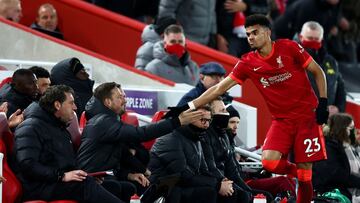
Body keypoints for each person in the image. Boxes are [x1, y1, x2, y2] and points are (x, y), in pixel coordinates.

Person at [177, 14, 329, 203]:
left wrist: (323, 102)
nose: (250, 37)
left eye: (255, 33)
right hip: (281, 120)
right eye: (248, 34)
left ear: (267, 32)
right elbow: (218, 88)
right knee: (269, 162)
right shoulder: (247, 63)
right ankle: (297, 170)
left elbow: (318, 71)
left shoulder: (289, 47)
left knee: (306, 178)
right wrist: (189, 105)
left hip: (307, 117)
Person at [76, 82, 204, 197]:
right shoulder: (103, 122)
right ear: (108, 102)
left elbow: (113, 160)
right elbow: (141, 133)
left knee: (138, 187)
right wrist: (177, 121)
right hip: (92, 182)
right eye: (120, 97)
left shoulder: (107, 120)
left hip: (107, 178)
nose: (125, 101)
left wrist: (129, 175)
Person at [14, 85, 125, 202]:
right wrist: (61, 176)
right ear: (57, 105)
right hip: (38, 187)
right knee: (85, 186)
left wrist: (84, 175)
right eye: (71, 103)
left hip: (54, 182)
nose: (75, 107)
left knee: (113, 186)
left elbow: (64, 163)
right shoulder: (30, 127)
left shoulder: (59, 128)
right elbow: (28, 164)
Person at [148, 105, 232, 203]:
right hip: (163, 188)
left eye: (209, 121)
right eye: (203, 120)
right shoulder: (170, 138)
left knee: (231, 193)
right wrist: (217, 185)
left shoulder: (194, 138)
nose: (207, 125)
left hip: (181, 185)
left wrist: (222, 181)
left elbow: (204, 170)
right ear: (189, 118)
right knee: (209, 192)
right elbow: (182, 175)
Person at [201, 97, 252, 203]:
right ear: (210, 114)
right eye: (222, 110)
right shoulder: (204, 135)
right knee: (239, 195)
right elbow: (210, 167)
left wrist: (248, 191)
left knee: (257, 196)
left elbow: (232, 171)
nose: (226, 113)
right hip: (212, 181)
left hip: (226, 180)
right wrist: (224, 183)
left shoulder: (224, 135)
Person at [297, 21, 346, 113]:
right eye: (310, 38)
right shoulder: (290, 58)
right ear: (301, 37)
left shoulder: (330, 61)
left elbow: (340, 87)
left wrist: (338, 107)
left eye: (316, 39)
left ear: (321, 39)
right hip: (301, 117)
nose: (313, 42)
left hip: (326, 118)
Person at [313, 113, 360, 202]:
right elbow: (338, 175)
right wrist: (358, 182)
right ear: (341, 129)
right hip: (334, 191)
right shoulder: (329, 147)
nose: (354, 132)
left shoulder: (351, 146)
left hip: (349, 188)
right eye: (351, 128)